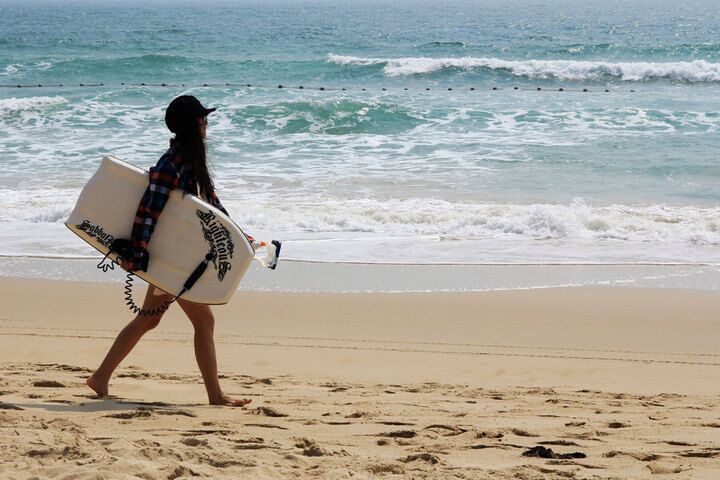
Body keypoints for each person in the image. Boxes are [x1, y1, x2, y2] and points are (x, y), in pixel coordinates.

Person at [86, 95, 252, 407]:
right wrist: (137, 254)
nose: (207, 123)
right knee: (203, 323)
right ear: (193, 124)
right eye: (203, 119)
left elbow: (210, 206)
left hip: (177, 258)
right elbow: (149, 210)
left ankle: (101, 377)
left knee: (149, 320)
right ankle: (216, 396)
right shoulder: (171, 164)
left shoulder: (190, 159)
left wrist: (239, 236)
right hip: (171, 260)